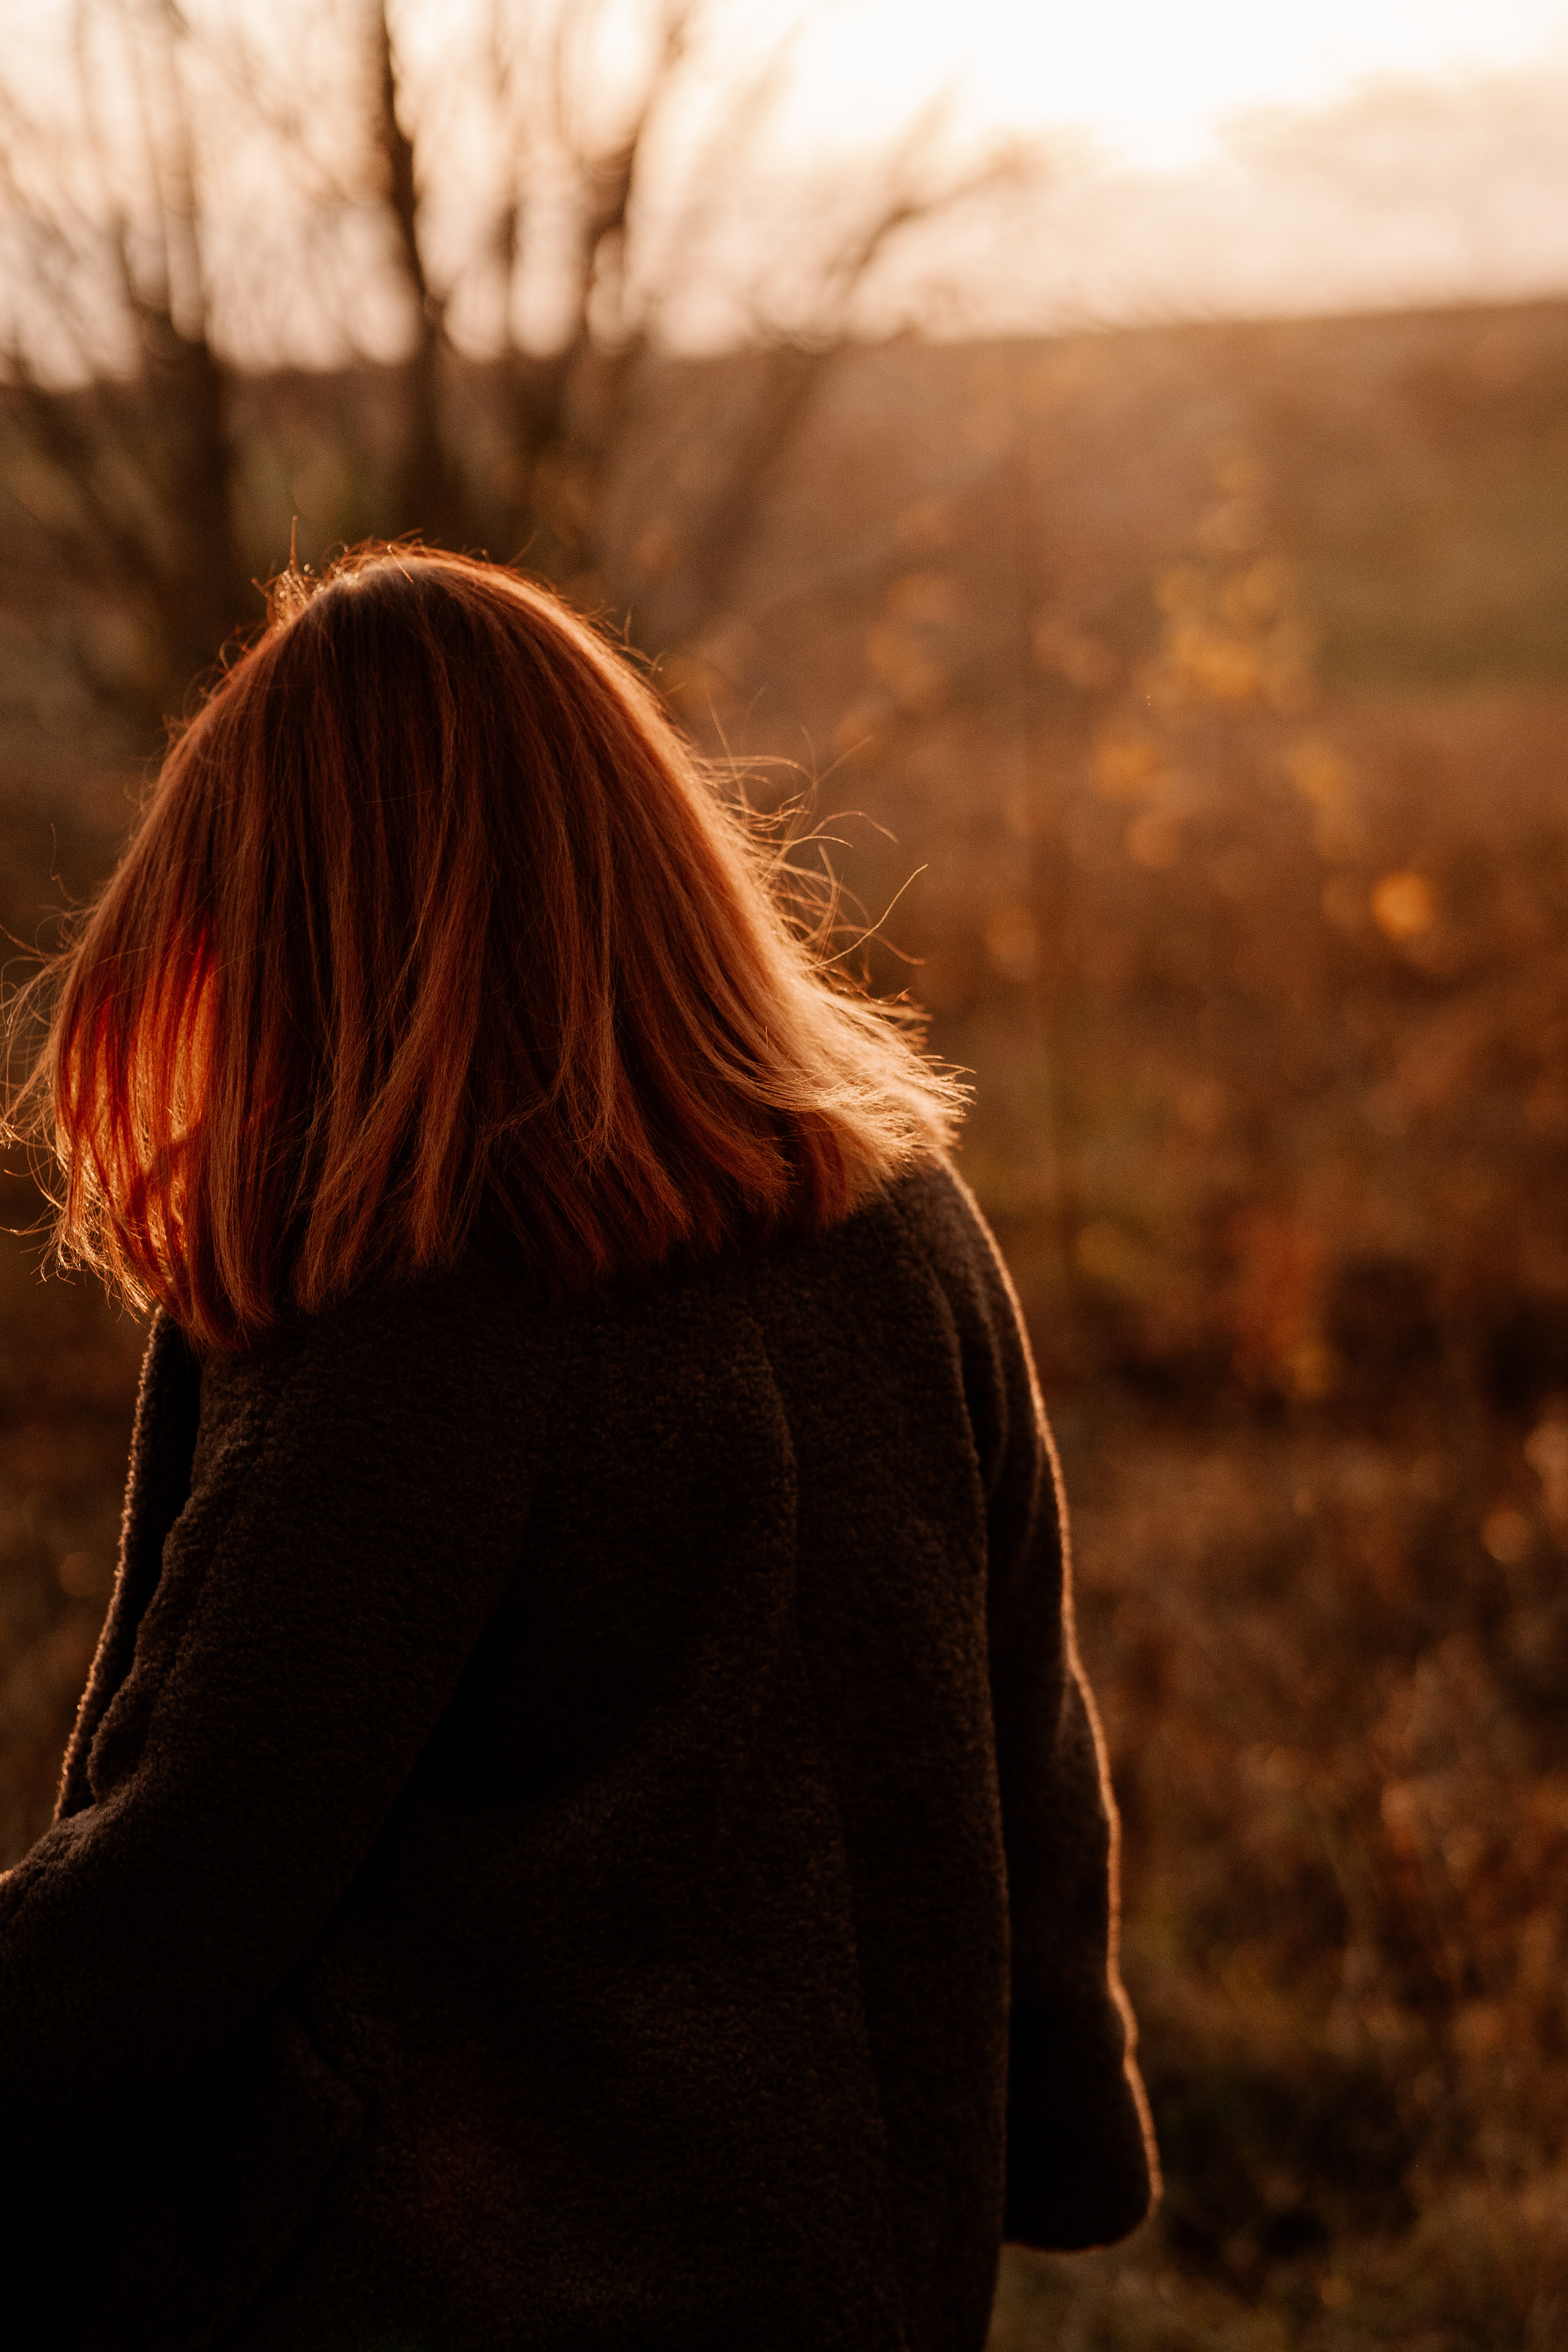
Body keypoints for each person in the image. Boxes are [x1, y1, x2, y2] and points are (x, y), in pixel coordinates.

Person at [1, 547, 1156, 2351]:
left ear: (304, 921)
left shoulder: (415, 1307)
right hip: (861, 2263)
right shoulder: (906, 1224)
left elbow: (191, 1875)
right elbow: (1031, 1736)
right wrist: (1054, 2106)